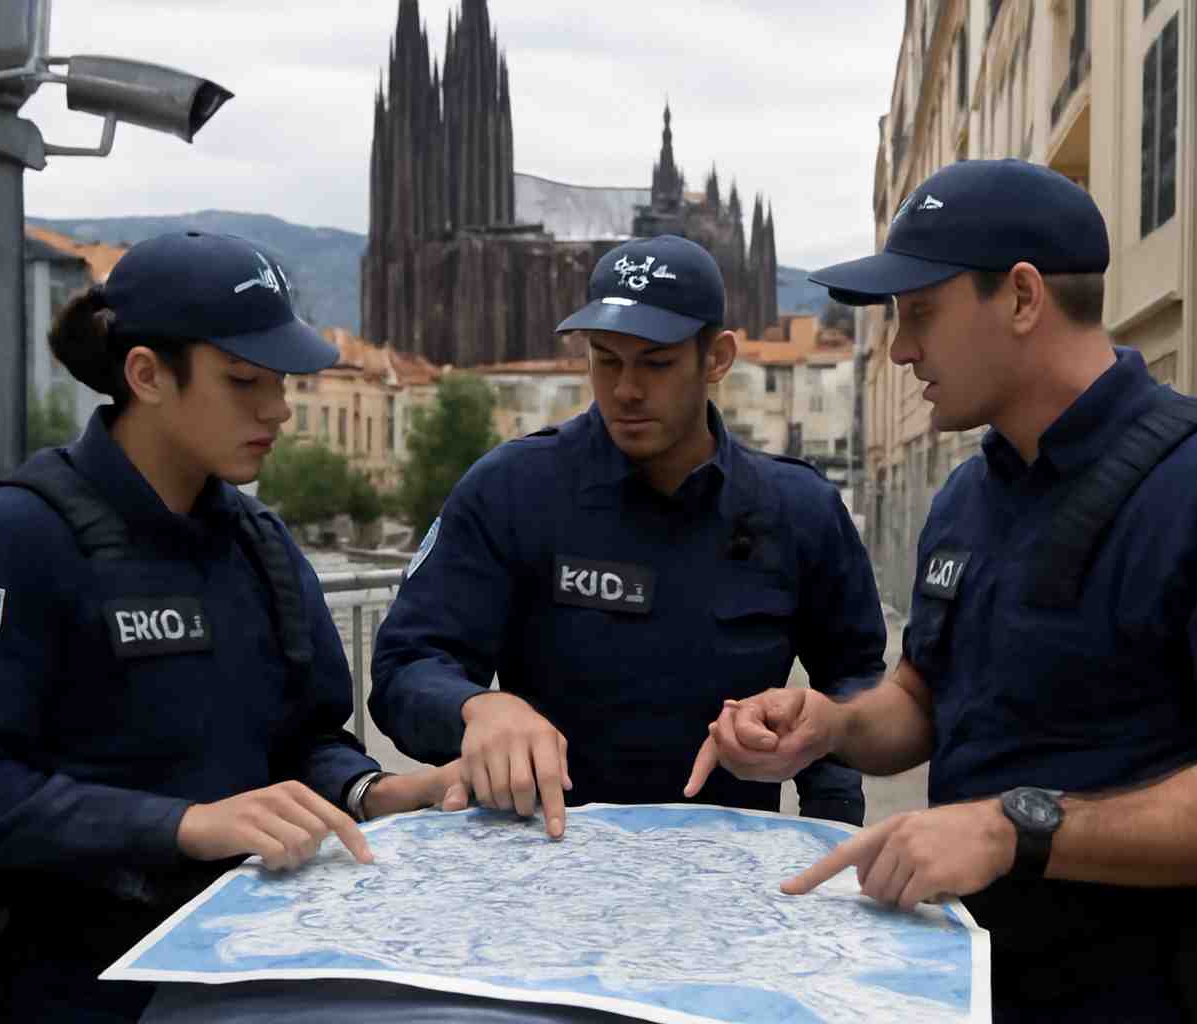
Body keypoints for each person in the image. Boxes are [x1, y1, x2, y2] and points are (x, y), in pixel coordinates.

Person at [685, 159, 1197, 1022]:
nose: (899, 349)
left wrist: (1014, 829)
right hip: (982, 981)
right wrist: (829, 725)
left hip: (1164, 993)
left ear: (1022, 297)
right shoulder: (971, 494)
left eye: (920, 311)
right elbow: (926, 699)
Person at [0, 231, 467, 1024]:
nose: (277, 409)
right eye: (243, 381)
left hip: (223, 980)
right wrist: (181, 825)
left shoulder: (259, 546)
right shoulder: (15, 540)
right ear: (146, 375)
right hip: (45, 985)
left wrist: (377, 793)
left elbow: (305, 737)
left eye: (282, 382)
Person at [369, 234, 885, 838]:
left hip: (728, 873)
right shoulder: (511, 490)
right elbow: (407, 666)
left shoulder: (800, 511)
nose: (627, 390)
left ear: (715, 358)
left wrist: (828, 830)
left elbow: (852, 683)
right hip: (542, 865)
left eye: (656, 363)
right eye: (606, 360)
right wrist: (476, 708)